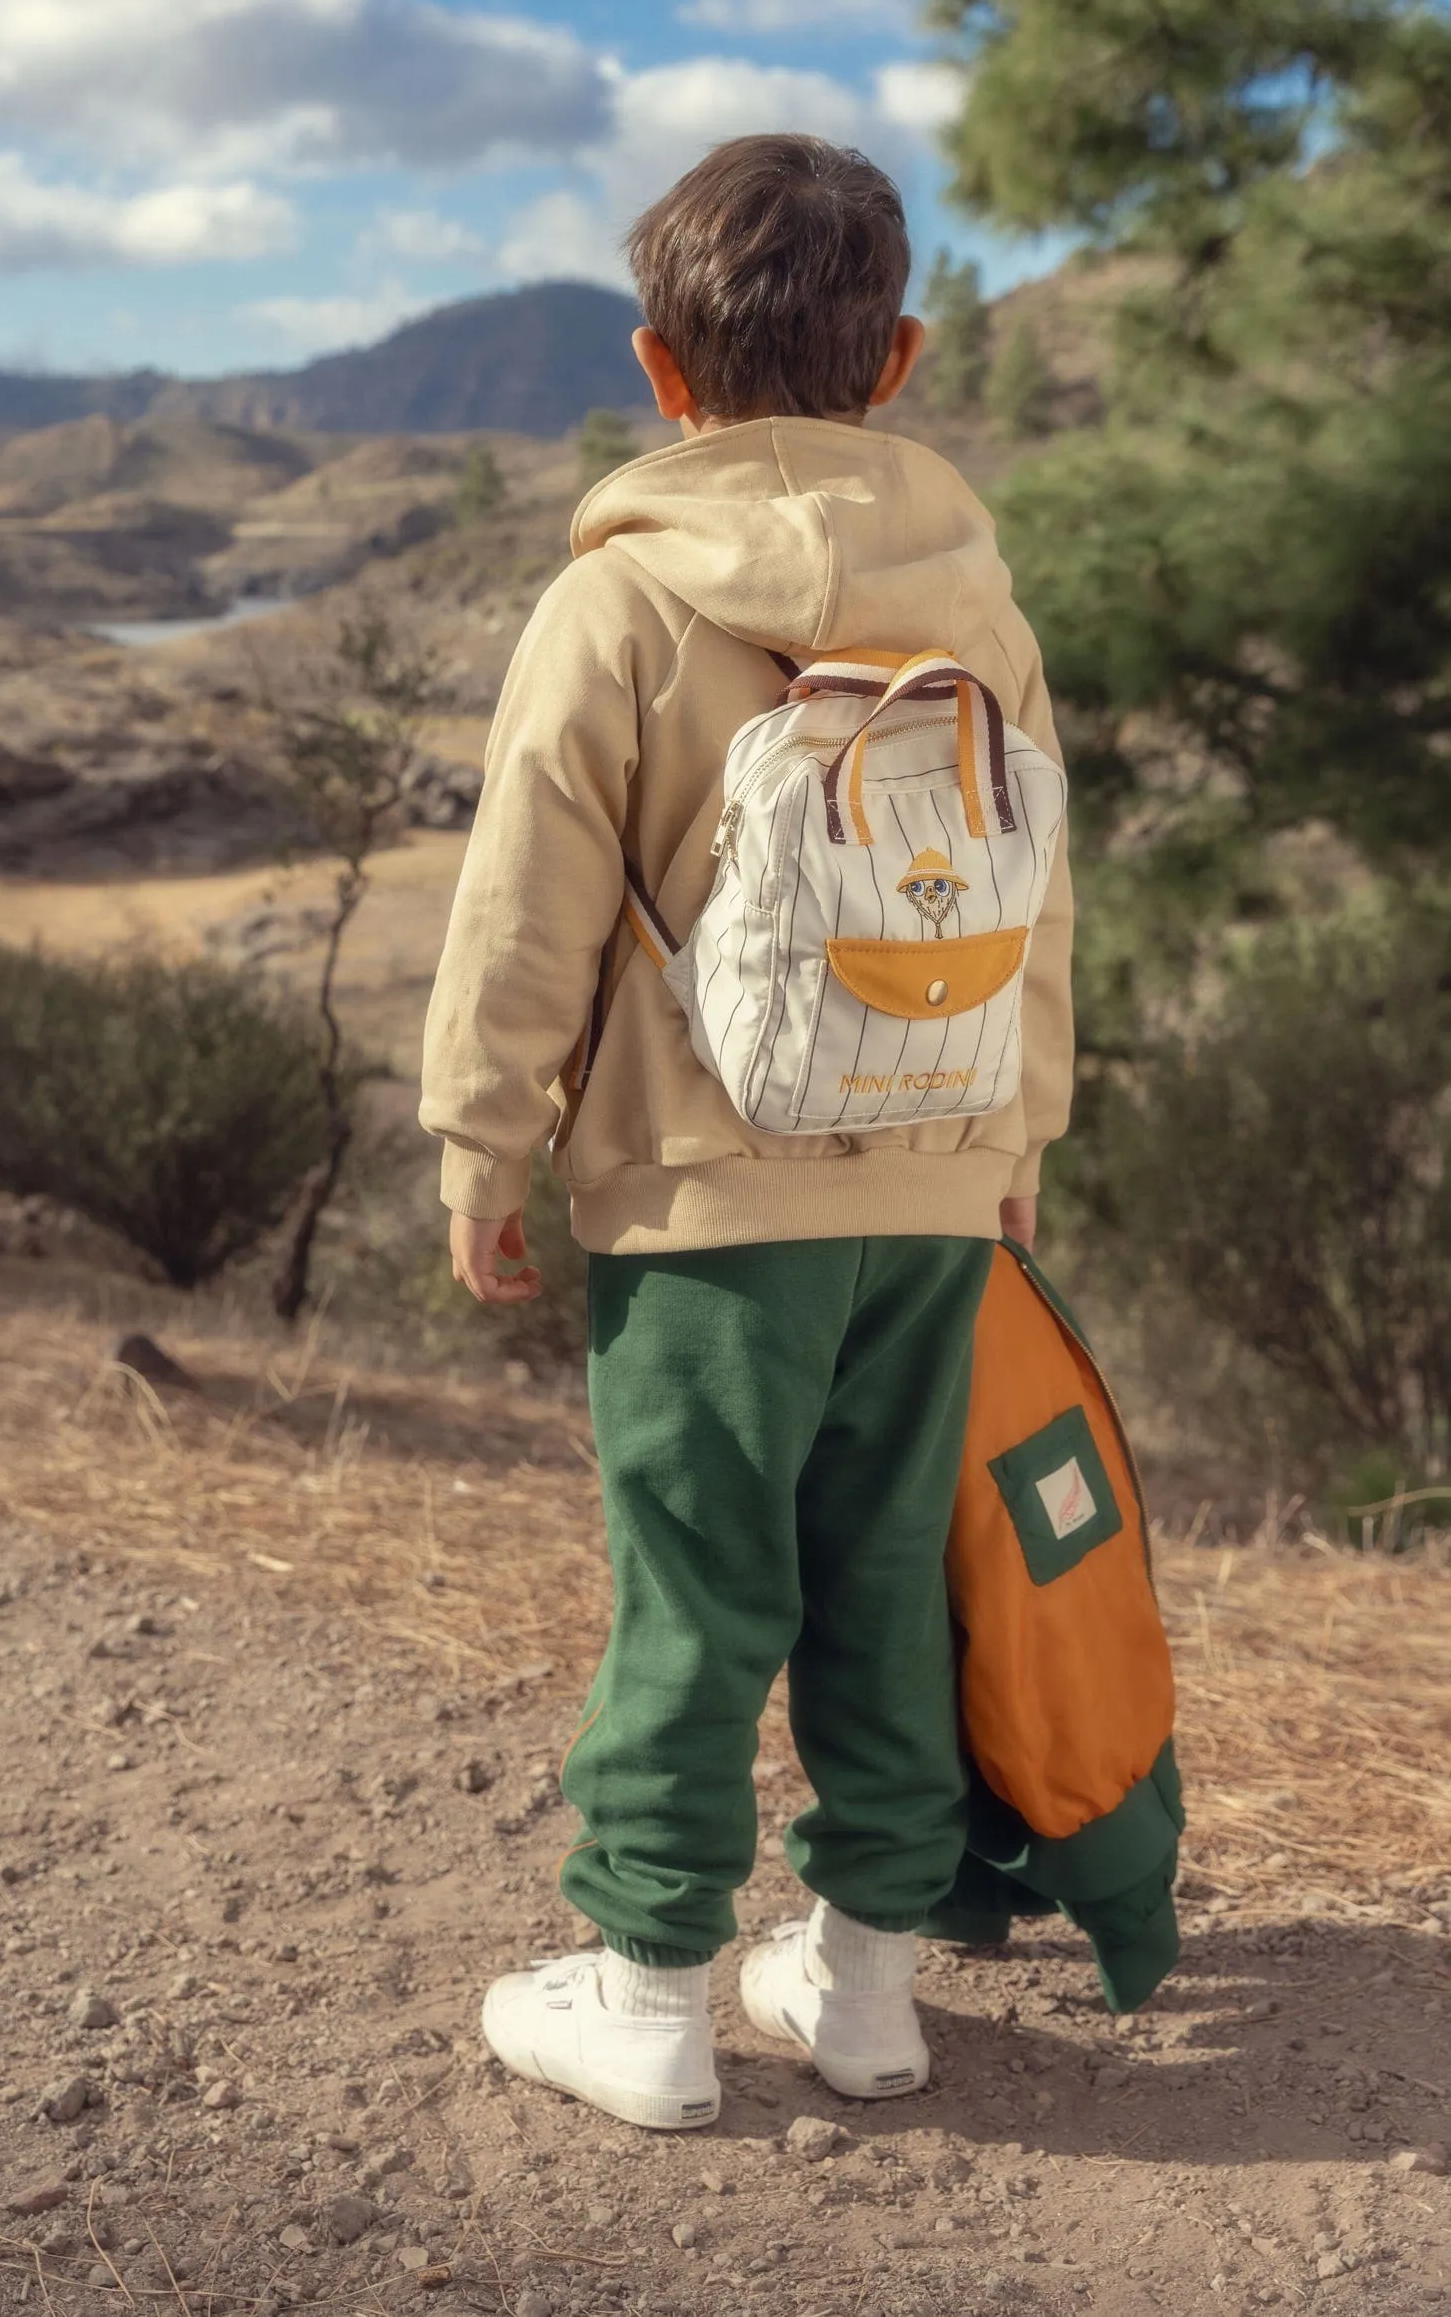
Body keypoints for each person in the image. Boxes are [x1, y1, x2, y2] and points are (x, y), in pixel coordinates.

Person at [418, 134, 1074, 2131]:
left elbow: (526, 900)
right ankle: (865, 1987)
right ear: (901, 355)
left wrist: (483, 1139)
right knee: (886, 1575)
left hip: (707, 1206)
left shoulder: (617, 605)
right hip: (941, 1187)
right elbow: (1038, 898)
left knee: (697, 1588)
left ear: (656, 365)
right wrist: (1018, 1138)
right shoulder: (984, 607)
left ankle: (645, 1989)